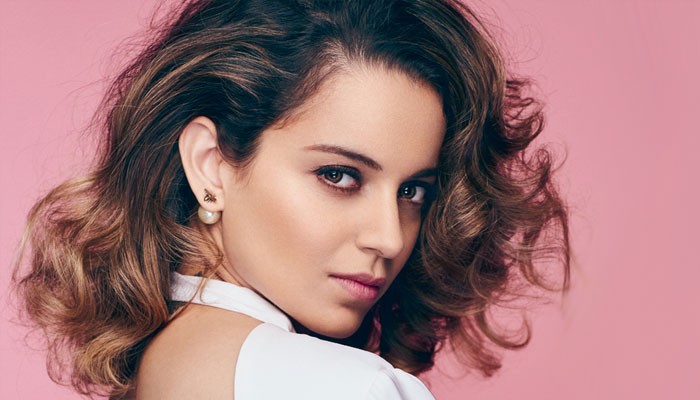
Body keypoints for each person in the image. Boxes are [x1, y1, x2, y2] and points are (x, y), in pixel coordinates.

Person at [12, 0, 570, 399]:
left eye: (412, 191)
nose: (389, 237)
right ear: (211, 164)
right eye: (339, 176)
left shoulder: (158, 368)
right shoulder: (351, 388)